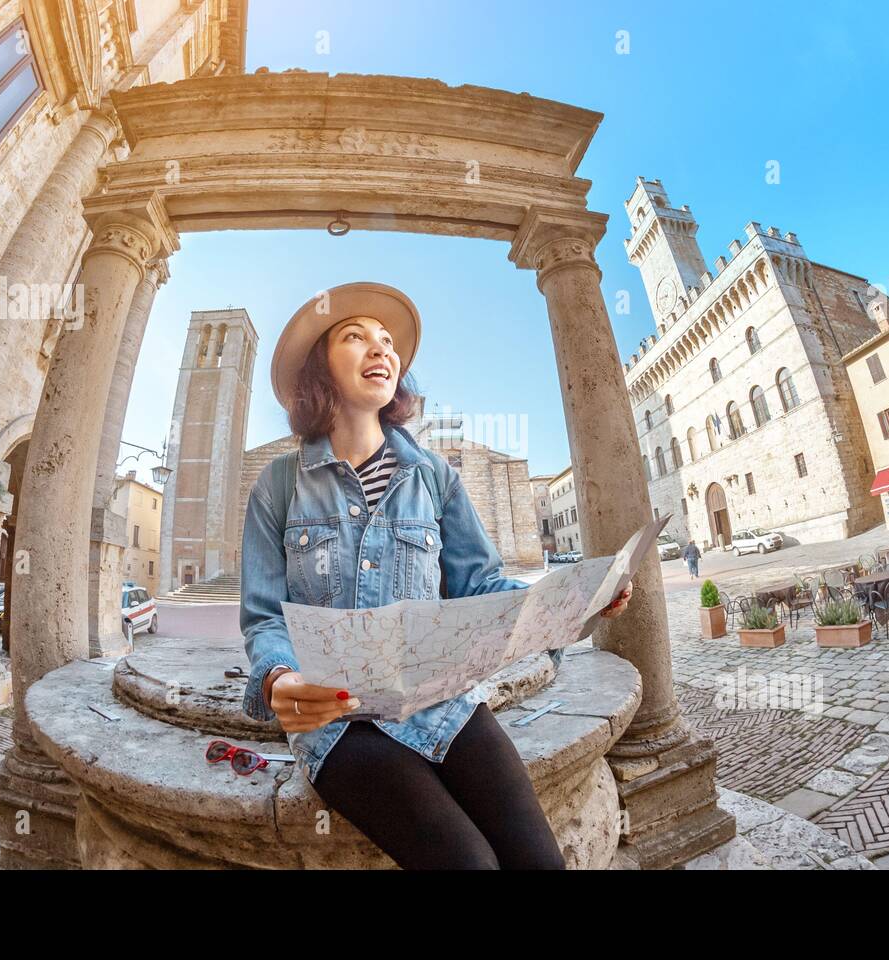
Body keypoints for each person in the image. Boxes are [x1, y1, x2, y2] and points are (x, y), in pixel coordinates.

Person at [240, 282, 633, 870]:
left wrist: (573, 600)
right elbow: (265, 616)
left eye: (388, 342)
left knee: (539, 861)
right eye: (356, 337)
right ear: (319, 367)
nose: (382, 351)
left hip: (445, 705)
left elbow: (481, 586)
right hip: (340, 723)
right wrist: (278, 679)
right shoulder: (277, 485)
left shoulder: (437, 479)